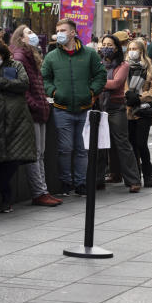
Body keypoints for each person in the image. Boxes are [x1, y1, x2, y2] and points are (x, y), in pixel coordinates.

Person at [41, 18, 106, 196]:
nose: (59, 34)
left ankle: (81, 183)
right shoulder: (52, 56)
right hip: (61, 109)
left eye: (63, 30)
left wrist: (92, 92)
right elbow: (44, 78)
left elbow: (101, 74)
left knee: (81, 149)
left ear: (73, 32)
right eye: (58, 30)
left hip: (84, 108)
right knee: (65, 149)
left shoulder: (89, 54)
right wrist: (53, 92)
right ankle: (65, 182)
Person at [0, 39, 35, 214]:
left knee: (14, 159)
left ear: (3, 55)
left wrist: (0, 81)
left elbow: (24, 84)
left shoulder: (15, 65)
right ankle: (4, 199)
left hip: (17, 118)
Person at [9, 27, 60, 207]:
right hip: (32, 111)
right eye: (28, 33)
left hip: (39, 110)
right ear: (20, 38)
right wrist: (36, 104)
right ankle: (39, 191)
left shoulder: (31, 56)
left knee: (40, 153)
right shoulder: (20, 57)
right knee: (36, 154)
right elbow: (22, 87)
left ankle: (43, 190)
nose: (33, 36)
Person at [98, 35, 143, 193]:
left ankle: (133, 180)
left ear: (116, 47)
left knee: (122, 144)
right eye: (104, 44)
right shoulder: (98, 63)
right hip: (99, 107)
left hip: (116, 108)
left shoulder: (123, 65)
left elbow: (116, 83)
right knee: (100, 145)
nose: (106, 47)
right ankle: (101, 178)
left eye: (109, 44)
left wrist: (97, 82)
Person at [125, 40, 152, 189]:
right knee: (131, 145)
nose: (133, 51)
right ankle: (135, 176)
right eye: (130, 49)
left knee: (141, 144)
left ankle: (147, 174)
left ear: (142, 51)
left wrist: (139, 97)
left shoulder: (150, 69)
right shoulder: (123, 68)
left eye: (135, 49)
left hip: (143, 111)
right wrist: (128, 96)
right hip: (127, 111)